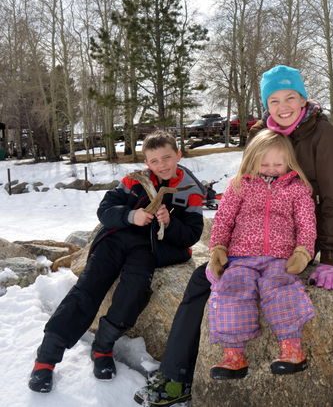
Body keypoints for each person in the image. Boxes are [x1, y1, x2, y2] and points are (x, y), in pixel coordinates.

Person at [134, 64, 333, 406]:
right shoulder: (261, 131)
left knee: (274, 287)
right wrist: (220, 249)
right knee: (200, 283)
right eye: (274, 100)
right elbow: (240, 195)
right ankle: (176, 377)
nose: (283, 106)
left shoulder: (322, 134)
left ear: (303, 98)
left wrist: (330, 259)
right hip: (247, 251)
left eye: (290, 97)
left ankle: (284, 348)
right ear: (267, 105)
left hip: (298, 247)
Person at [28, 131, 205, 393]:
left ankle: (103, 348)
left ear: (178, 155)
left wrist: (169, 222)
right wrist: (131, 216)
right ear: (146, 162)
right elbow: (105, 210)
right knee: (88, 289)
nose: (162, 165)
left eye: (167, 157)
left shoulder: (190, 189)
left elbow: (192, 234)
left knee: (133, 293)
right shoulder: (134, 180)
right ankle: (46, 358)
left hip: (147, 249)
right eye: (154, 160)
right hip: (115, 239)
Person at [206, 129, 316, 379]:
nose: (271, 168)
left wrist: (302, 251)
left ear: (289, 161)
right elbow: (223, 220)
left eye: (278, 164)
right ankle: (233, 355)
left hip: (279, 257)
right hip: (240, 258)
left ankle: (291, 348)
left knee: (281, 289)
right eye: (264, 163)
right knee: (232, 290)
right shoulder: (239, 186)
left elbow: (307, 223)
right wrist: (218, 248)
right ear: (251, 161)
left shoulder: (297, 189)